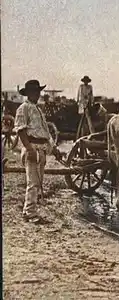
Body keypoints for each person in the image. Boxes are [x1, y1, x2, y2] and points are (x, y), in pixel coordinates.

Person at [13, 80, 63, 224]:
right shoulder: (24, 108)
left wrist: (54, 149)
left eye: (38, 91)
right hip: (32, 148)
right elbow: (21, 131)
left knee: (39, 181)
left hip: (41, 149)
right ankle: (30, 213)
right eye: (34, 92)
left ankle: (28, 210)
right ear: (28, 93)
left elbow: (46, 133)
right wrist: (29, 149)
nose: (37, 94)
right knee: (33, 183)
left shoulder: (38, 110)